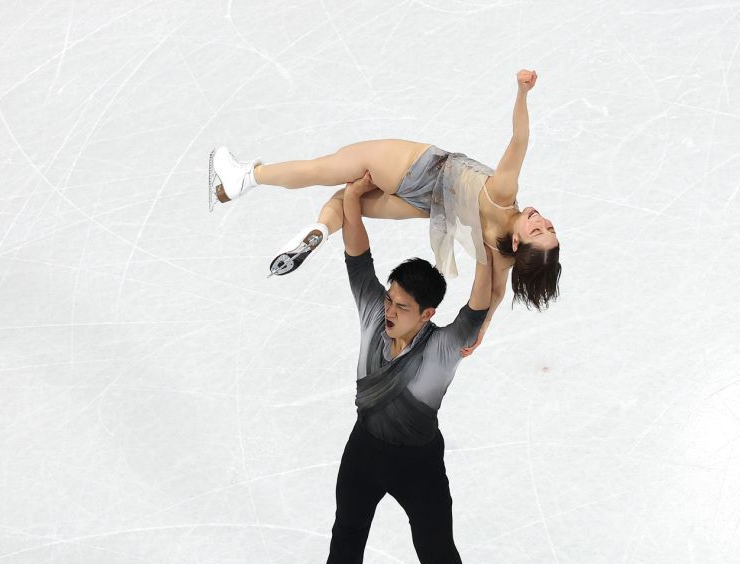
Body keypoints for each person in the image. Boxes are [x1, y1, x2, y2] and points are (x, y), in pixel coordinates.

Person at [300, 171, 492, 564]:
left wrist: (485, 245)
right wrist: (353, 198)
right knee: (347, 528)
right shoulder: (372, 312)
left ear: (428, 314)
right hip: (364, 449)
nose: (388, 311)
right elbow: (357, 256)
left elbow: (479, 303)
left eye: (402, 307)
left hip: (418, 465)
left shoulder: (445, 346)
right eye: (389, 300)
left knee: (437, 555)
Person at [208, 69, 560, 355]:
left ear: (518, 242)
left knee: (323, 168)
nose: (542, 221)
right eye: (549, 228)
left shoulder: (503, 195)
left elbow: (519, 139)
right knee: (346, 202)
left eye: (537, 230)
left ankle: (246, 177)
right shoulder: (503, 255)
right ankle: (321, 229)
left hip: (416, 167)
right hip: (424, 206)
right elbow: (494, 295)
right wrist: (481, 330)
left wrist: (522, 93)